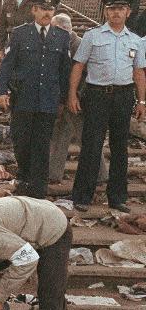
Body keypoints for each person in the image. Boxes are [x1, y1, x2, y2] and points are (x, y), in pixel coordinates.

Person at [69, 0, 146, 212]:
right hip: (96, 95)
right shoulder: (92, 36)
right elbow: (78, 66)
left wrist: (141, 101)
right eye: (112, 9)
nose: (116, 13)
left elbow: (139, 71)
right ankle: (83, 196)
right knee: (92, 146)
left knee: (120, 148)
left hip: (123, 97)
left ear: (128, 12)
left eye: (121, 9)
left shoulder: (135, 40)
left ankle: (118, 197)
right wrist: (72, 94)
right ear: (106, 12)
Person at [0, 0, 70, 198]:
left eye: (50, 10)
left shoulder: (61, 37)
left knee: (42, 143)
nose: (47, 13)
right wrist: (2, 91)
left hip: (48, 100)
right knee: (21, 141)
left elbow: (64, 71)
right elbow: (7, 65)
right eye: (43, 9)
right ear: (34, 11)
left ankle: (38, 188)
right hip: (23, 98)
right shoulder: (20, 34)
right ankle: (24, 178)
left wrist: (63, 99)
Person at [48, 13, 109, 184]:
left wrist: (76, 96)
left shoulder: (81, 45)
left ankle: (100, 175)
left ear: (62, 29)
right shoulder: (59, 43)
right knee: (59, 135)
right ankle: (53, 173)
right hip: (63, 100)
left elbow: (91, 75)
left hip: (79, 101)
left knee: (87, 139)